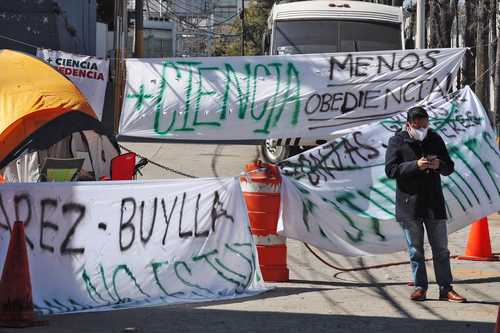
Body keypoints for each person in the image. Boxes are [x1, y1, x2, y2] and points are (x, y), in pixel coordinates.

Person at [384, 106, 466, 303]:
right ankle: (420, 287)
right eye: (417, 124)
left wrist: (440, 165)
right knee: (416, 250)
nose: (421, 127)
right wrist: (415, 166)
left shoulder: (435, 139)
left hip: (434, 203)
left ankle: (446, 289)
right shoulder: (398, 141)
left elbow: (450, 167)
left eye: (425, 123)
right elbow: (390, 170)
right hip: (409, 205)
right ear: (409, 124)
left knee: (441, 250)